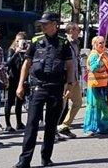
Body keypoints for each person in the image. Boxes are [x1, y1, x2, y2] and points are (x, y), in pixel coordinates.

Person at [15, 12, 74, 168]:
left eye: (46, 23)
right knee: (32, 124)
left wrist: (69, 84)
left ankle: (46, 158)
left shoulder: (64, 43)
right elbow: (26, 65)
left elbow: (69, 66)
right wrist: (20, 84)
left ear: (55, 24)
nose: (43, 25)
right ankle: (24, 160)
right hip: (38, 87)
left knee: (51, 125)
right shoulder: (36, 41)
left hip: (56, 88)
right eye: (42, 23)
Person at [57, 23, 83, 139]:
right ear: (71, 31)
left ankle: (64, 126)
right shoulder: (63, 43)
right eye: (78, 30)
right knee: (60, 105)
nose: (79, 32)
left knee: (78, 102)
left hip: (75, 78)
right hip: (66, 79)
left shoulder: (76, 44)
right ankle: (53, 131)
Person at [84, 36, 108, 135]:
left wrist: (106, 51)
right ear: (95, 44)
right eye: (100, 43)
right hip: (94, 86)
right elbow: (93, 68)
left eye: (103, 42)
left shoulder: (104, 54)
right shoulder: (93, 55)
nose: (102, 45)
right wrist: (98, 60)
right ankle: (90, 129)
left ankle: (104, 128)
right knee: (93, 107)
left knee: (104, 107)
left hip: (103, 85)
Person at [5, 32, 28, 132]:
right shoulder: (12, 50)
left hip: (21, 78)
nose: (19, 42)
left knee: (19, 101)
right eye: (18, 40)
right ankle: (8, 124)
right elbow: (8, 63)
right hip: (12, 78)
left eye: (22, 40)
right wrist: (16, 52)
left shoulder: (25, 50)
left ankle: (19, 123)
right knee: (9, 101)